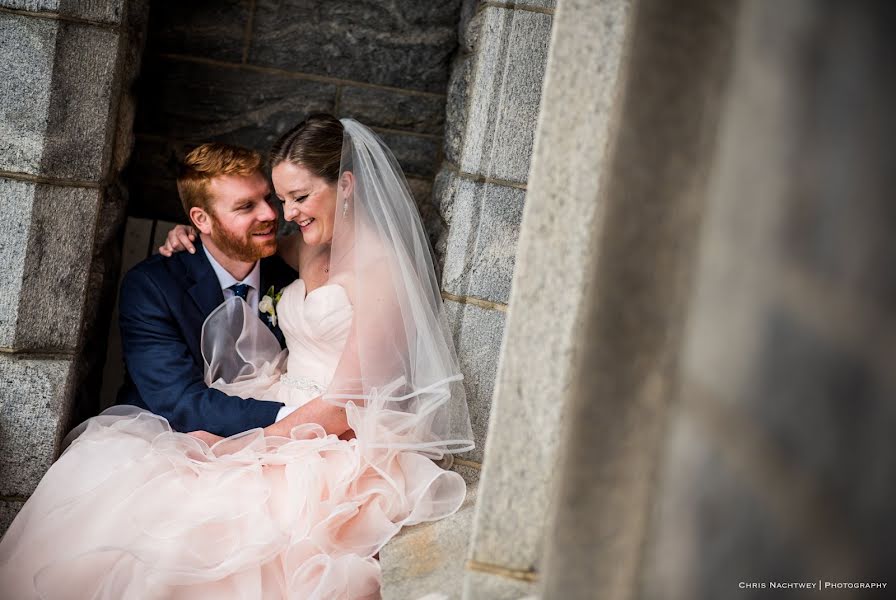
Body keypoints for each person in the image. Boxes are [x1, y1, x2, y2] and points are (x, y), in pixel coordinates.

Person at [0, 115, 474, 599]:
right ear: (203, 221)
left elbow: (342, 401)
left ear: (346, 186)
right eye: (272, 200)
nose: (282, 214)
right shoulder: (295, 250)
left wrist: (242, 446)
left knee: (223, 532)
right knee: (139, 506)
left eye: (292, 198)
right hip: (281, 407)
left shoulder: (374, 267)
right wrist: (191, 236)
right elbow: (182, 390)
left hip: (334, 428)